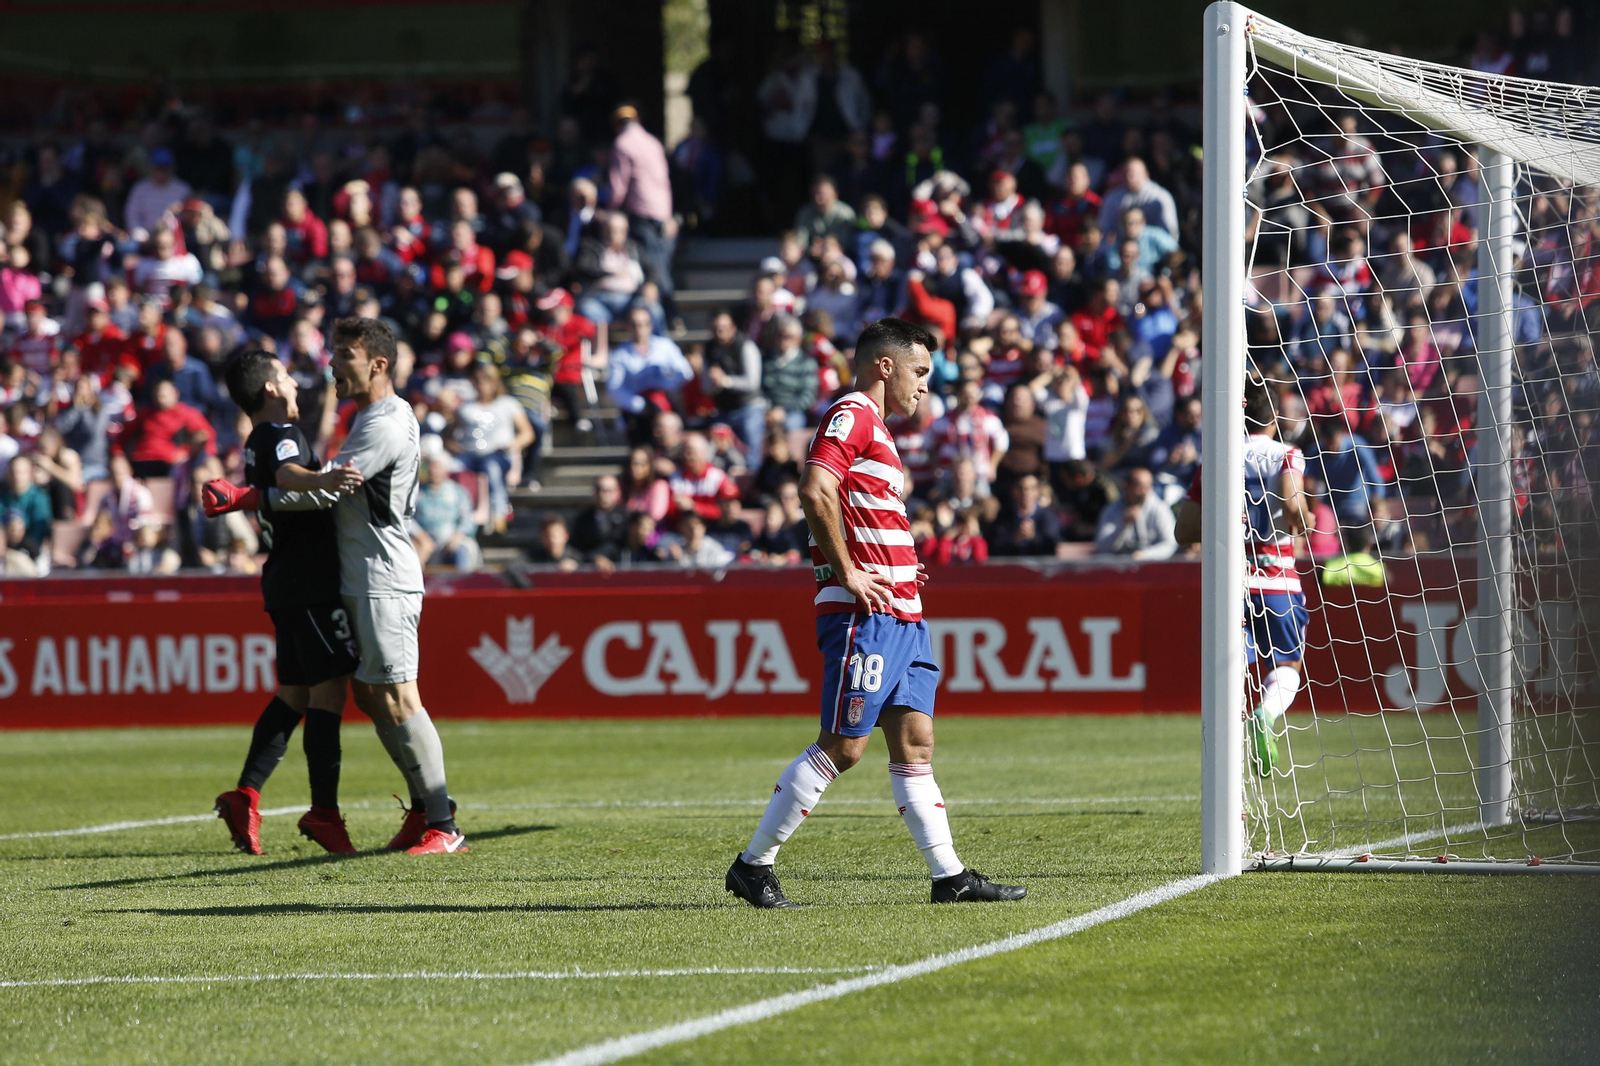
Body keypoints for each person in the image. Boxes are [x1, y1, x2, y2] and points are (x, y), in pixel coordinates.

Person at [725, 317, 1025, 909]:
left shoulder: (880, 432)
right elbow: (816, 489)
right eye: (919, 372)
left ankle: (948, 877)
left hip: (905, 617)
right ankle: (752, 866)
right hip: (869, 616)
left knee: (914, 742)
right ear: (884, 366)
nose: (924, 387)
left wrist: (900, 563)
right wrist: (847, 572)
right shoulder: (854, 413)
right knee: (843, 745)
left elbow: (859, 510)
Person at [206, 318, 466, 855]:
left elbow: (320, 493)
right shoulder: (368, 417)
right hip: (357, 576)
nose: (330, 365)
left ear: (378, 364)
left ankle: (443, 822)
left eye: (343, 355)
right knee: (371, 696)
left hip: (382, 576)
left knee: (397, 697)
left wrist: (242, 497)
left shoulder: (385, 424)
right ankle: (423, 810)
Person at [209, 348, 360, 856]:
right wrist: (325, 480)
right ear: (271, 388)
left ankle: (245, 794)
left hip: (285, 581)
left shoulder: (257, 440)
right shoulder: (279, 436)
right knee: (329, 693)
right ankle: (325, 814)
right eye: (288, 377)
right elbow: (289, 475)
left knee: (295, 695)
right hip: (309, 582)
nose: (296, 384)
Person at [1173, 384, 1313, 778]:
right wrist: (1305, 516)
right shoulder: (1287, 454)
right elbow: (1290, 506)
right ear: (1275, 418)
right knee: (1287, 664)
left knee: (1227, 669)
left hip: (1228, 584)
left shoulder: (1216, 459)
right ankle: (1265, 717)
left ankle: (1225, 770)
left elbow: (1184, 531)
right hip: (1276, 579)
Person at [411, 456, 480, 571]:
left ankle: (462, 585)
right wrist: (420, 536)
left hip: (451, 542)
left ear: (446, 470)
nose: (433, 471)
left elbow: (468, 519)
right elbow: (407, 519)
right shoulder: (417, 492)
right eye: (431, 467)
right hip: (424, 542)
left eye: (437, 467)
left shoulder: (457, 492)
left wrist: (457, 536)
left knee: (462, 551)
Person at [1094, 467, 1177, 560]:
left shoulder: (1160, 509)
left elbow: (1170, 544)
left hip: (1151, 566)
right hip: (1118, 565)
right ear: (1126, 486)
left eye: (1148, 487)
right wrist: (1122, 525)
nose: (1144, 492)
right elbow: (1102, 547)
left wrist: (1144, 555)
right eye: (1140, 487)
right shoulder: (1111, 510)